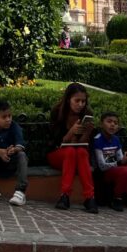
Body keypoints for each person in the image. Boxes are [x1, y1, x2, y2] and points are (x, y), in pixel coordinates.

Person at [48, 82, 98, 213]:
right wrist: (71, 132)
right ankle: (64, 195)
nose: (80, 104)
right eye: (77, 101)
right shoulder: (57, 112)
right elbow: (58, 142)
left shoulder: (86, 114)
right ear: (68, 99)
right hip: (57, 153)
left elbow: (82, 144)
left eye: (83, 101)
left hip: (76, 155)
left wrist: (87, 132)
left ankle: (89, 197)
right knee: (70, 151)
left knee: (81, 152)